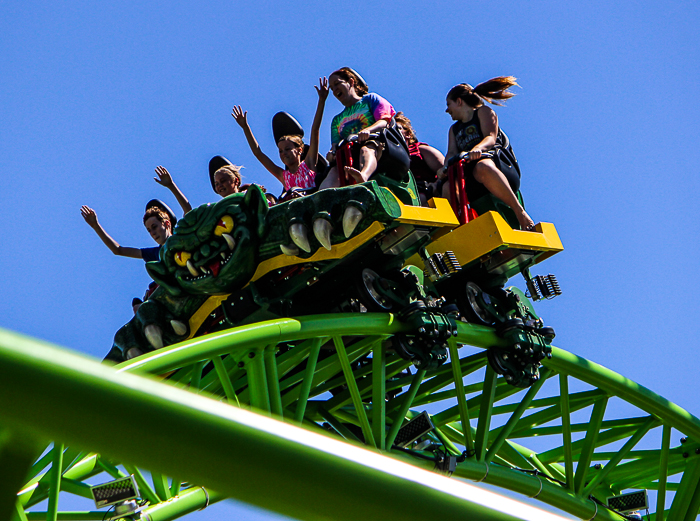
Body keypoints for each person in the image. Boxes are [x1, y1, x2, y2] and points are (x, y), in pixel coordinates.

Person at [444, 77, 534, 230]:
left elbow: (490, 137)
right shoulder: (454, 130)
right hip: (471, 174)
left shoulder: (483, 112)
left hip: (498, 165)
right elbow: (451, 152)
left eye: (449, 104)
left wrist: (476, 149)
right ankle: (461, 229)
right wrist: (444, 168)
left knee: (482, 166)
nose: (447, 110)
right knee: (448, 187)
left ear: (459, 101)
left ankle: (521, 213)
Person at [232, 78, 329, 192]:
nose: (284, 153)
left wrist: (322, 100)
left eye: (287, 149)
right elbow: (258, 153)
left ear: (299, 150)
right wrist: (245, 127)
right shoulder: (283, 176)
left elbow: (315, 130)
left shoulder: (309, 163)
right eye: (281, 151)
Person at [320, 68, 396, 188]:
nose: (334, 90)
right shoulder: (337, 120)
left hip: (376, 144)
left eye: (337, 84)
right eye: (332, 88)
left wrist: (368, 130)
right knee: (334, 170)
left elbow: (384, 121)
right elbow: (334, 145)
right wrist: (331, 154)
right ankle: (321, 198)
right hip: (349, 154)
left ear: (351, 82)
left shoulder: (370, 99)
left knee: (366, 149)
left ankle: (363, 176)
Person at [81, 204, 174, 262]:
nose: (153, 233)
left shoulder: (181, 238)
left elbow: (188, 213)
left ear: (167, 224)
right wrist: (95, 225)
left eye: (154, 227)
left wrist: (171, 185)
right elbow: (118, 250)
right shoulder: (155, 253)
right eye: (149, 230)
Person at [394, 112, 446, 205]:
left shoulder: (420, 149)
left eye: (398, 129)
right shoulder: (389, 157)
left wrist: (435, 184)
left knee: (419, 197)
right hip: (399, 191)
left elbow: (445, 169)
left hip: (422, 189)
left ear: (408, 134)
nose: (394, 132)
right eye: (392, 130)